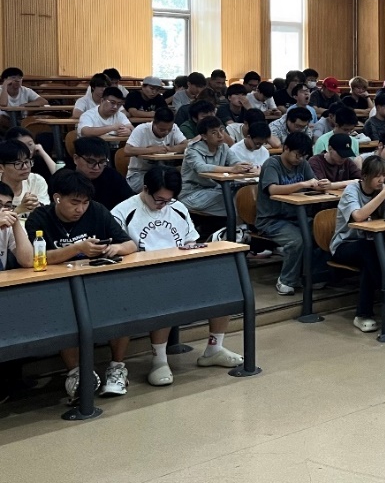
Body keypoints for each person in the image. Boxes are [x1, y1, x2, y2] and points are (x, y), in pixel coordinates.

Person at [111, 166, 243, 386]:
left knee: (224, 284)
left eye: (168, 200)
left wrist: (193, 248)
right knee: (164, 292)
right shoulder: (123, 212)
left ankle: (214, 348)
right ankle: (159, 360)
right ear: (145, 189)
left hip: (181, 271)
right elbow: (119, 253)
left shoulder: (178, 208)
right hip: (141, 277)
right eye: (159, 200)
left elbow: (190, 241)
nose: (163, 205)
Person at [26, 170, 137, 400]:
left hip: (98, 283)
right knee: (65, 312)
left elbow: (130, 245)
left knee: (123, 305)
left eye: (85, 203)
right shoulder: (39, 218)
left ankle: (117, 367)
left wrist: (115, 248)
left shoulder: (97, 210)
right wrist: (77, 248)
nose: (80, 209)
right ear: (57, 198)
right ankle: (75, 373)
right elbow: (33, 258)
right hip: (57, 286)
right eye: (74, 203)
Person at [329, 155, 385, 332]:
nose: (381, 180)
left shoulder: (382, 191)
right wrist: (384, 193)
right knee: (369, 250)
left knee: (371, 258)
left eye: (384, 176)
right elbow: (358, 216)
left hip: (372, 247)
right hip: (345, 245)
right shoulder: (352, 190)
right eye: (377, 176)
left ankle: (363, 315)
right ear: (365, 175)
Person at [256, 132, 324, 296]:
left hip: (297, 217)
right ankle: (286, 280)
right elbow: (273, 189)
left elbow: (312, 183)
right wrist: (302, 184)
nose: (300, 159)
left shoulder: (303, 164)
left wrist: (320, 185)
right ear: (286, 148)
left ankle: (312, 275)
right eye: (297, 155)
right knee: (297, 240)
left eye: (304, 156)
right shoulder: (272, 164)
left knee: (322, 232)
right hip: (271, 220)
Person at [179, 117, 254, 216]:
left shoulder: (224, 147)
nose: (220, 135)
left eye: (221, 130)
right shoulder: (192, 150)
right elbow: (201, 168)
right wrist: (232, 169)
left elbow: (235, 162)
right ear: (204, 136)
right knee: (236, 202)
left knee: (245, 194)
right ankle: (237, 225)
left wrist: (245, 167)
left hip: (216, 189)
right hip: (193, 193)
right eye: (214, 133)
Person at [123, 106, 188, 191]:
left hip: (165, 173)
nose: (166, 132)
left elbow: (185, 144)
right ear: (154, 123)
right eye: (162, 130)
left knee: (183, 184)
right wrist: (153, 150)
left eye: (169, 129)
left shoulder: (174, 128)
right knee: (161, 186)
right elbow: (127, 150)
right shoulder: (142, 129)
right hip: (139, 174)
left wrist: (168, 149)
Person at [64, 137, 134, 210]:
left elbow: (130, 201)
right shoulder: (65, 178)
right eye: (91, 162)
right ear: (76, 159)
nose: (97, 168)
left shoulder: (112, 176)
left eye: (102, 162)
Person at [0, 140, 50, 215]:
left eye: (27, 161)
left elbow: (46, 213)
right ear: (1, 168)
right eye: (18, 163)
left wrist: (38, 206)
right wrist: (19, 209)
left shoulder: (36, 181)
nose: (25, 167)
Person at [0, 182, 32, 269]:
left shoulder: (8, 224)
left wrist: (16, 223)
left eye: (8, 206)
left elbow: (28, 261)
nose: (3, 210)